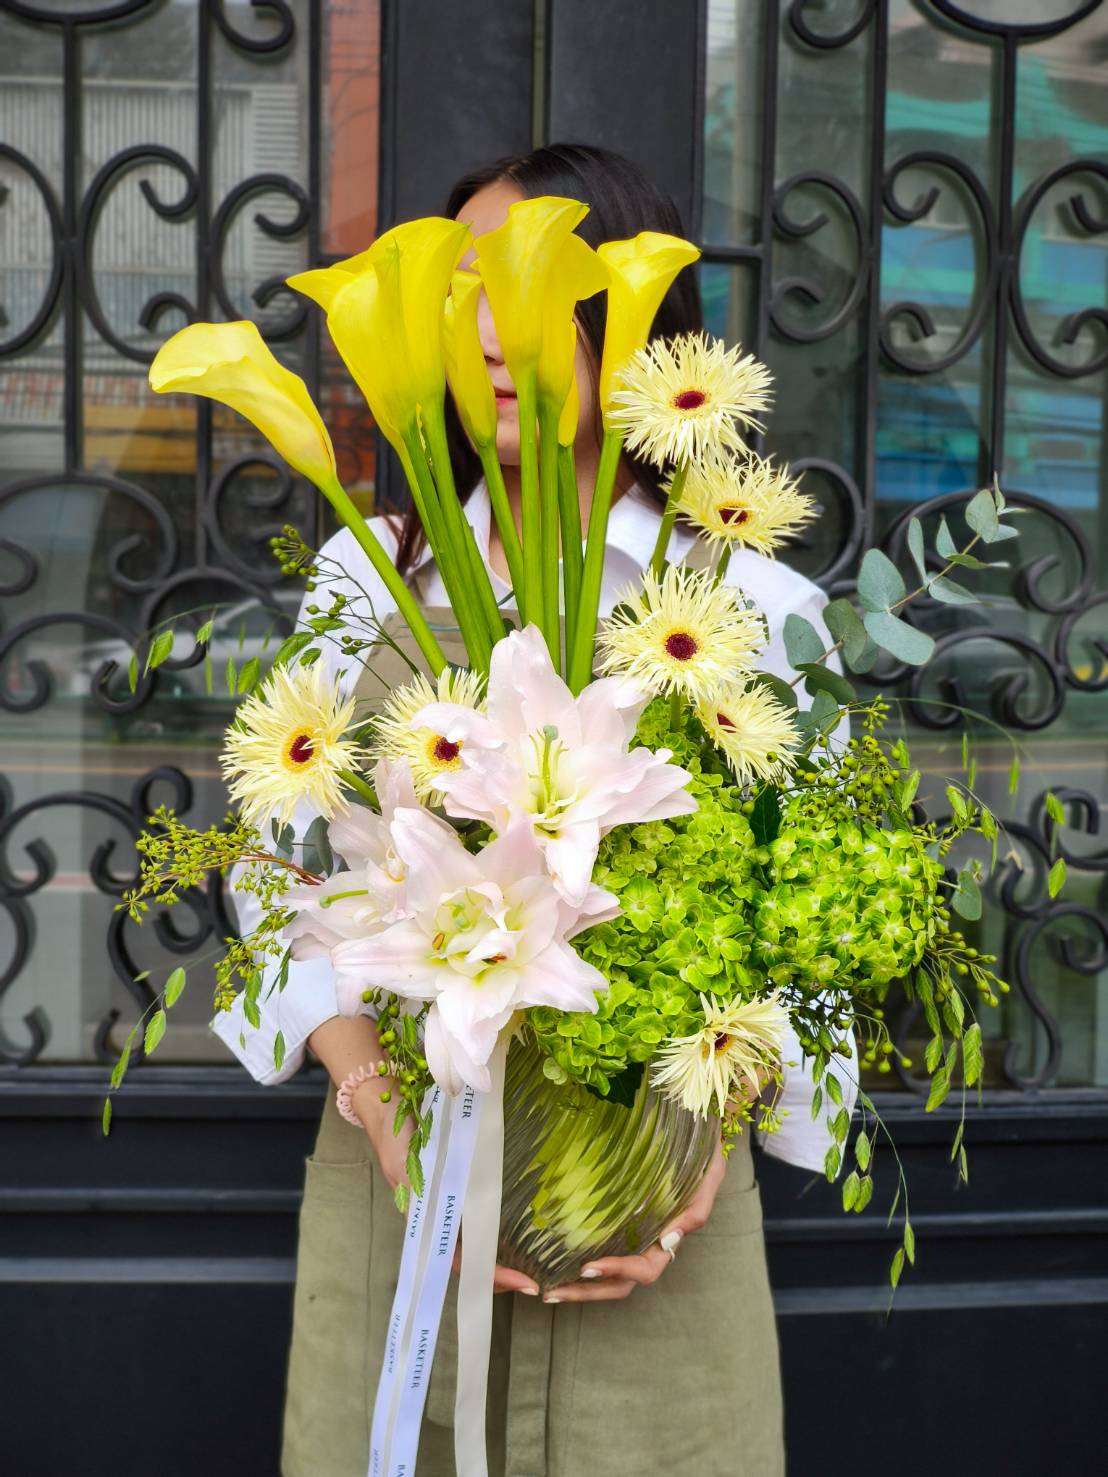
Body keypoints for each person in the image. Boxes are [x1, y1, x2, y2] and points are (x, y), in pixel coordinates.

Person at [213, 142, 856, 1477]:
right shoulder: (364, 571)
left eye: (547, 289)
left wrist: (693, 1158)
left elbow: (824, 925)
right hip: (398, 1208)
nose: (495, 334)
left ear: (635, 330)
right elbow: (268, 870)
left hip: (654, 1242)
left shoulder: (742, 604)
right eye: (464, 292)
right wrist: (372, 1093)